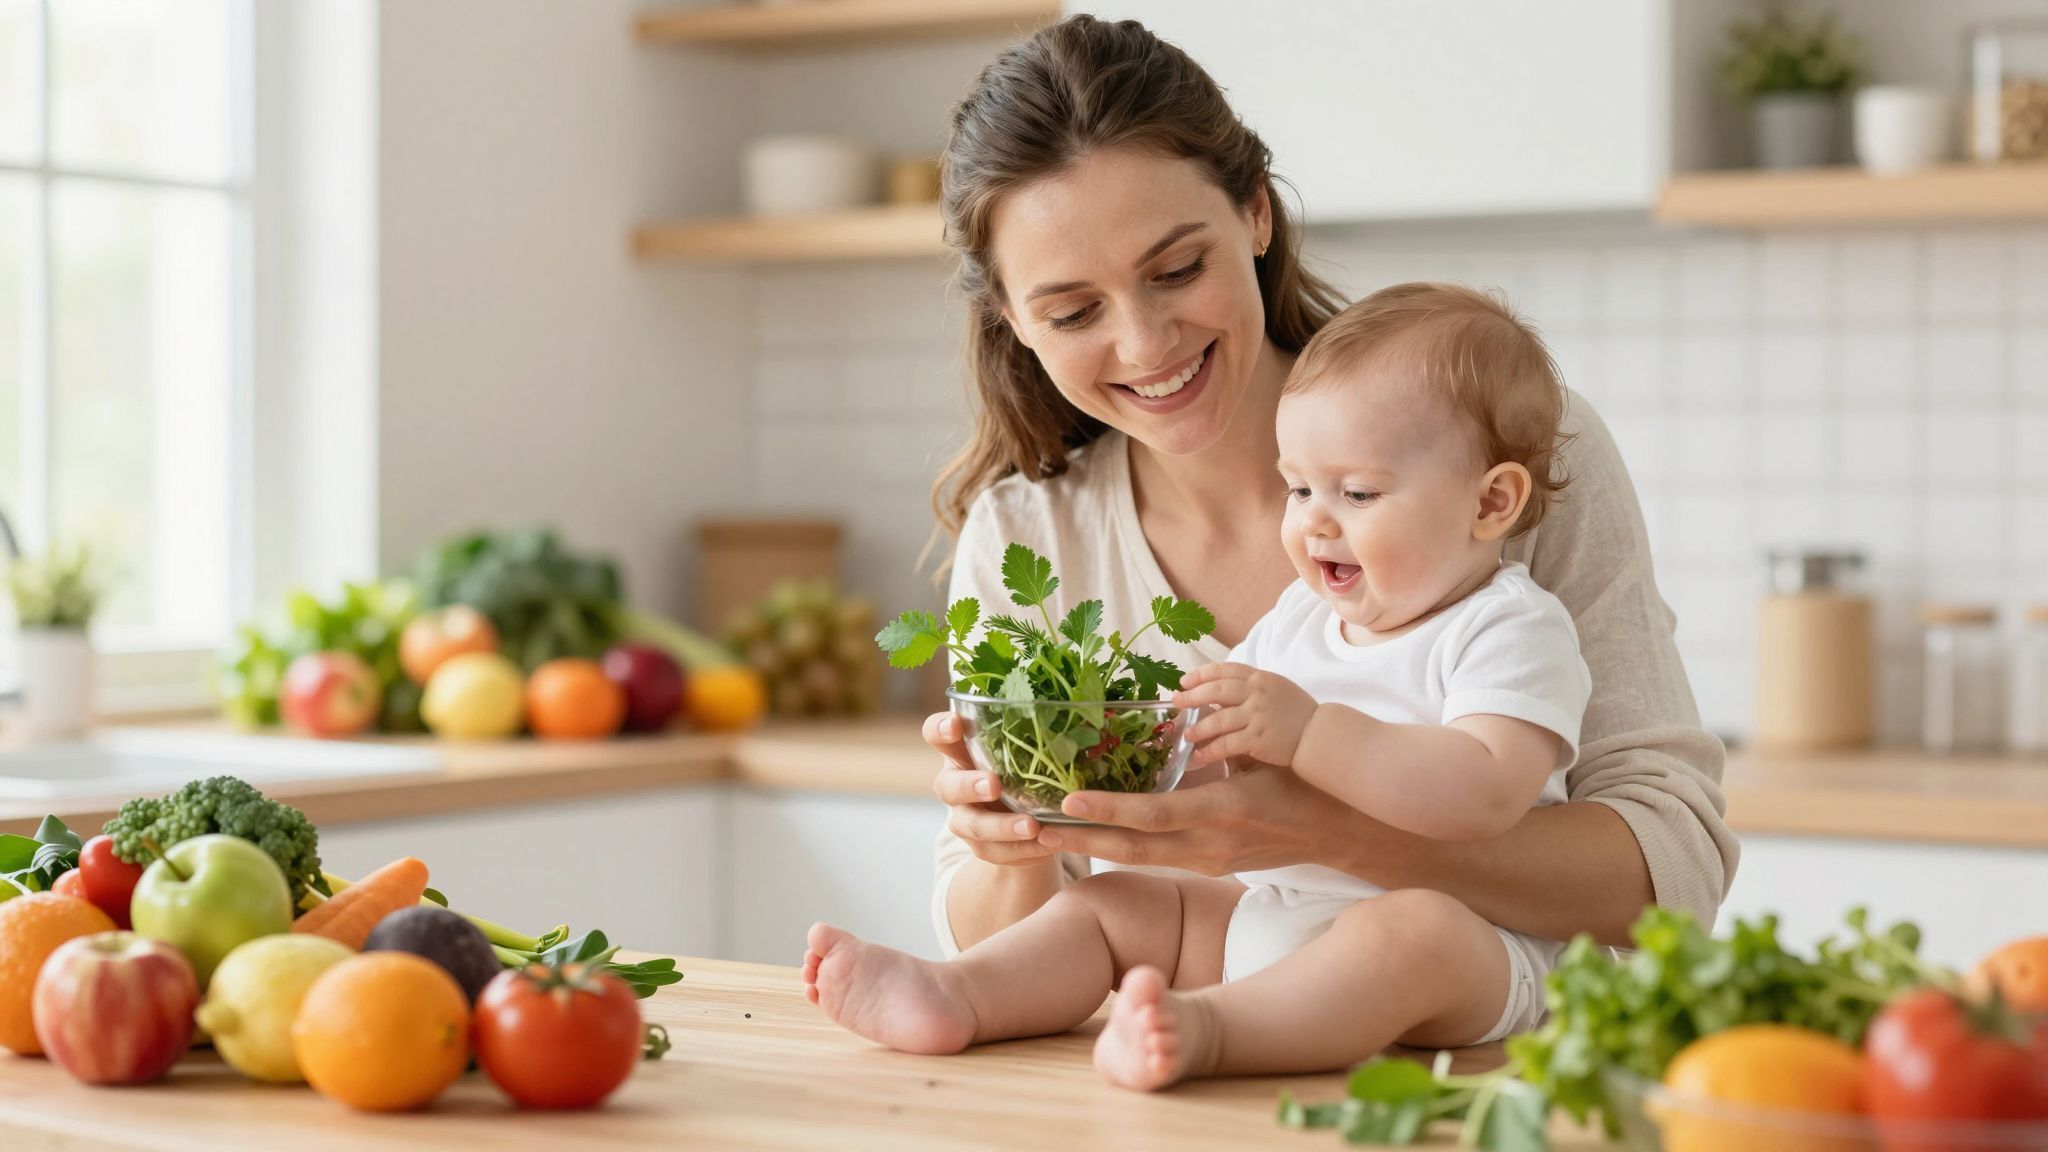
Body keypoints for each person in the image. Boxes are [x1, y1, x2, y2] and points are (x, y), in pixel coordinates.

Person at [915, 15, 1732, 988]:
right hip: (1170, 1095)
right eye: (1072, 312)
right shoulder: (1027, 537)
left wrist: (1325, 835)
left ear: (1254, 214)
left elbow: (1668, 868)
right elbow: (990, 933)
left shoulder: (1496, 457)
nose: (1143, 345)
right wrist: (1009, 840)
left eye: (1177, 270)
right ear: (1012, 318)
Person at [806, 283, 1593, 1089]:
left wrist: (1313, 734)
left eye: (1356, 493)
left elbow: (1484, 794)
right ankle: (957, 995)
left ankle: (1210, 1033)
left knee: (1411, 934)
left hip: (1472, 950)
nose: (1316, 522)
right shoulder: (1300, 618)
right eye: (1298, 488)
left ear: (1491, 501)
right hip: (1271, 915)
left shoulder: (1508, 628)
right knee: (1117, 907)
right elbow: (1213, 747)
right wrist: (1108, 760)